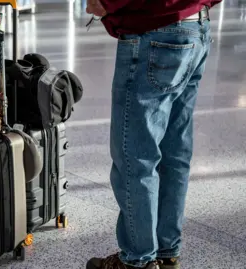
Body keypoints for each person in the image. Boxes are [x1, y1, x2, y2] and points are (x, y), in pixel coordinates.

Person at [85, 0, 221, 268]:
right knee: (175, 155)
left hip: (156, 31)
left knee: (135, 156)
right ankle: (165, 251)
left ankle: (138, 260)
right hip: (196, 27)